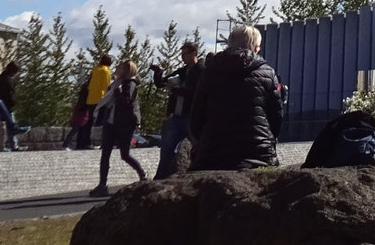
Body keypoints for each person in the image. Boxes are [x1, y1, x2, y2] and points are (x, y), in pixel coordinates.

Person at [189, 25, 283, 172]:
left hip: (212, 154)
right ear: (255, 47)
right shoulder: (268, 73)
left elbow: (196, 118)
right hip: (258, 155)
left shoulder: (210, 72)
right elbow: (276, 119)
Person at [91, 60, 147, 196]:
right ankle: (102, 185)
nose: (117, 68)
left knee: (125, 154)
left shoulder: (130, 84)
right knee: (105, 154)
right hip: (111, 122)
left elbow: (127, 102)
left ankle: (142, 175)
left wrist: (116, 93)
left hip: (124, 124)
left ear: (127, 70)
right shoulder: (117, 84)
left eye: (120, 67)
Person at [153, 41, 201, 180]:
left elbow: (196, 93)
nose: (182, 57)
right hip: (176, 115)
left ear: (194, 54)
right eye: (181, 54)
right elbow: (162, 83)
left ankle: (197, 176)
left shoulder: (201, 71)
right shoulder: (182, 71)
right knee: (167, 150)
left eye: (185, 54)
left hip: (192, 116)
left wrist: (176, 90)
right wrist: (158, 73)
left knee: (198, 149)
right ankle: (159, 179)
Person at [75, 53, 112, 151]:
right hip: (101, 99)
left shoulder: (95, 69)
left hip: (90, 99)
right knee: (106, 121)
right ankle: (106, 142)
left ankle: (85, 142)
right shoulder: (106, 70)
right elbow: (107, 86)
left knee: (89, 122)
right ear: (108, 62)